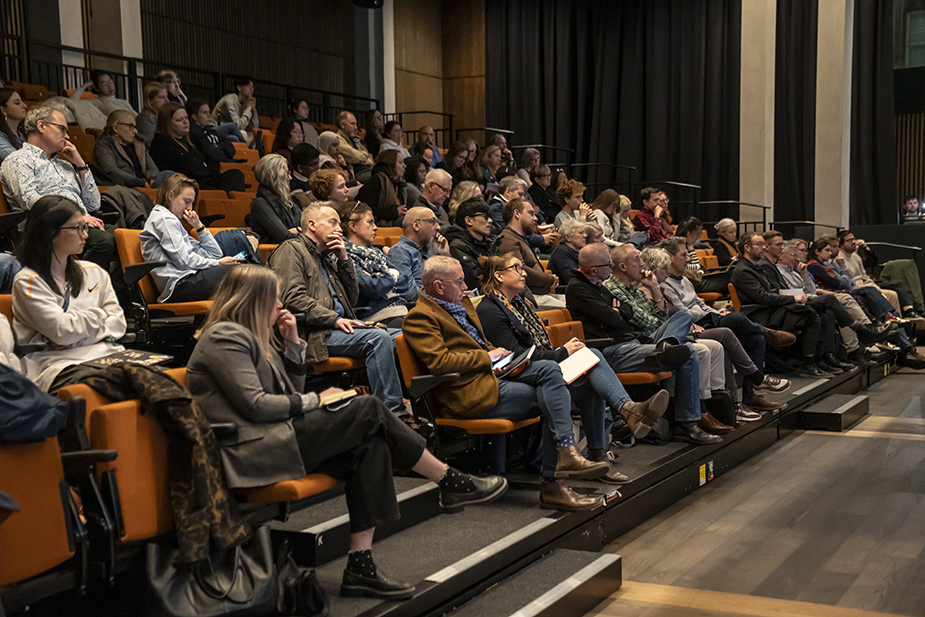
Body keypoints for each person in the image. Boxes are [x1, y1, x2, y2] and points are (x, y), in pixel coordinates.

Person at [187, 264, 507, 601]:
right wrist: (315, 399)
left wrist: (294, 344)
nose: (282, 305)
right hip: (249, 452)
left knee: (369, 445)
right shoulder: (224, 337)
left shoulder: (254, 338)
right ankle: (448, 480)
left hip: (274, 437)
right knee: (366, 410)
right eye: (275, 298)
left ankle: (360, 566)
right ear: (251, 300)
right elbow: (257, 406)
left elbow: (284, 396)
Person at [403, 255, 614, 510]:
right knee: (555, 396)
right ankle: (558, 475)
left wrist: (501, 355)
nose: (465, 287)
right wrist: (487, 356)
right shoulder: (420, 318)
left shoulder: (462, 305)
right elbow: (440, 362)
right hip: (468, 393)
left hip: (493, 377)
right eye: (459, 282)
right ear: (438, 286)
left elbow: (480, 344)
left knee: (550, 371)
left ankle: (561, 468)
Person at [477, 253, 670, 446]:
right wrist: (563, 352)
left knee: (590, 361)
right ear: (499, 276)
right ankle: (622, 418)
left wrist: (562, 350)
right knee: (591, 362)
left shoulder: (519, 304)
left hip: (541, 365)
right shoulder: (490, 309)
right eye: (517, 268)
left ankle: (619, 424)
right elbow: (517, 356)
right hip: (526, 373)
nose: (525, 274)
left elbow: (537, 348)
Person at [565, 244, 720, 444]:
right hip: (613, 351)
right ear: (594, 270)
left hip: (635, 343)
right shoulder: (579, 288)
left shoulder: (598, 285)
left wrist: (629, 306)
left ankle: (667, 346)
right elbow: (616, 319)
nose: (611, 266)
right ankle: (687, 425)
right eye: (607, 263)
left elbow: (639, 315)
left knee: (683, 316)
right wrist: (619, 313)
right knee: (688, 351)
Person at [269, 202, 409, 419]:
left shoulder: (327, 256)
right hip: (314, 332)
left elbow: (351, 299)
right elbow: (292, 299)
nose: (340, 229)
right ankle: (393, 415)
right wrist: (334, 319)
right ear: (312, 225)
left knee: (404, 336)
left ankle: (420, 406)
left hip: (340, 326)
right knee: (377, 338)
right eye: (332, 222)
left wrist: (343, 259)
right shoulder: (291, 250)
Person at [605, 244, 740, 429]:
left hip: (658, 337)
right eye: (637, 259)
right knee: (693, 348)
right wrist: (660, 313)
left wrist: (654, 287)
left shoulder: (635, 289)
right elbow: (648, 324)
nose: (642, 263)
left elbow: (661, 318)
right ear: (623, 266)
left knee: (684, 317)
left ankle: (718, 406)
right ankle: (697, 414)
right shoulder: (613, 289)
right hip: (640, 340)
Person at [653, 240, 794, 415]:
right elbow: (684, 314)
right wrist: (711, 315)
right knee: (736, 319)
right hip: (696, 325)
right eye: (684, 254)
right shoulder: (665, 285)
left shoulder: (685, 281)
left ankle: (750, 394)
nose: (688, 259)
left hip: (707, 318)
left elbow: (700, 304)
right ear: (670, 258)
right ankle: (766, 335)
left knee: (755, 338)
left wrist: (717, 313)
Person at [12, 195, 125, 392]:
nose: (85, 235)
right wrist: (100, 314)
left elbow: (119, 324)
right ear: (51, 233)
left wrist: (78, 340)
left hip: (107, 355)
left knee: (163, 384)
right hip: (56, 366)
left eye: (85, 227)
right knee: (118, 388)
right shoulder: (28, 281)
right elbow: (61, 332)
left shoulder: (94, 272)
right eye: (77, 228)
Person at [0, 102, 114, 269]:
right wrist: (75, 217)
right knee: (103, 242)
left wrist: (81, 164)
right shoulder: (19, 159)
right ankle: (78, 287)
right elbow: (30, 200)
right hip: (48, 229)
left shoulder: (66, 165)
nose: (67, 136)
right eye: (63, 129)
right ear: (41, 126)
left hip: (79, 224)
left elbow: (93, 204)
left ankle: (112, 291)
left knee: (121, 237)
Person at [731, 232, 837, 378]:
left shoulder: (756, 266)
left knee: (824, 313)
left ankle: (820, 359)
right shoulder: (744, 270)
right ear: (747, 247)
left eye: (763, 244)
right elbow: (763, 297)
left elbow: (771, 292)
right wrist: (793, 299)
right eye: (759, 245)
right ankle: (808, 363)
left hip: (770, 308)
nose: (763, 248)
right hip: (760, 313)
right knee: (810, 314)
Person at [140, 174, 240, 303]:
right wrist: (218, 263)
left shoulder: (172, 221)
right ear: (170, 195)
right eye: (187, 201)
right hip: (178, 285)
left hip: (188, 279)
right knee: (242, 272)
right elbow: (184, 262)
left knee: (245, 271)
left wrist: (199, 227)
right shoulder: (164, 219)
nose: (190, 208)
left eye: (192, 203)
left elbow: (215, 254)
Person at [150, 102, 245, 192]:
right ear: (167, 123)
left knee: (235, 174)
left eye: (186, 118)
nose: (185, 122)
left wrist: (204, 167)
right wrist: (203, 165)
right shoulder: (161, 143)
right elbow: (189, 167)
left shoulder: (190, 140)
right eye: (179, 120)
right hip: (186, 185)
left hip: (204, 180)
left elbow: (212, 160)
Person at [343, 202, 411, 326]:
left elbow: (405, 284)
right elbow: (372, 287)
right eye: (370, 222)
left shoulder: (377, 252)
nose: (375, 227)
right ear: (352, 226)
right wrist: (392, 275)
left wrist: (383, 278)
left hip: (400, 311)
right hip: (376, 317)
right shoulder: (345, 256)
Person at [838, 230, 921, 318]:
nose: (854, 242)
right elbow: (849, 282)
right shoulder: (840, 259)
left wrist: (875, 287)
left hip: (868, 285)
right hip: (859, 289)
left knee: (893, 294)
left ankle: (900, 321)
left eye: (854, 239)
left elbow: (865, 276)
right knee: (883, 296)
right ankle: (889, 322)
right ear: (841, 245)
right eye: (849, 240)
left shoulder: (856, 257)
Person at [386, 206, 450, 303]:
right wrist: (445, 295)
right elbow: (410, 295)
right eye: (432, 221)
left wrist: (445, 256)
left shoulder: (433, 250)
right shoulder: (399, 252)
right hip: (422, 310)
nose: (438, 227)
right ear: (416, 225)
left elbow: (453, 281)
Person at [93, 110, 167, 188]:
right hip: (127, 188)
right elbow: (112, 171)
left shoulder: (138, 144)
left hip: (147, 185)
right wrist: (140, 182)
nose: (135, 131)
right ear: (116, 128)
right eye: (131, 126)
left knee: (168, 175)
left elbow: (152, 168)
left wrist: (152, 180)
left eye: (135, 127)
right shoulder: (105, 145)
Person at [498, 199, 558, 297]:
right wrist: (549, 279)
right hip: (528, 298)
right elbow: (520, 271)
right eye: (531, 213)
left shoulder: (518, 238)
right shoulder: (507, 240)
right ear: (517, 213)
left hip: (540, 294)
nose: (535, 218)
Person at [444, 198, 499, 290]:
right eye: (485, 216)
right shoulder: (458, 246)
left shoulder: (490, 242)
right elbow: (475, 282)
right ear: (468, 220)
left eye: (490, 217)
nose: (490, 220)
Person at [248, 154, 302, 244]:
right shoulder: (260, 204)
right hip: (276, 253)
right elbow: (284, 236)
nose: (290, 178)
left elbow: (305, 226)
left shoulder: (288, 201)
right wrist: (301, 230)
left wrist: (298, 230)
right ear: (274, 177)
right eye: (286, 173)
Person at [356, 150, 408, 227]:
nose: (405, 166)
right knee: (412, 222)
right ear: (390, 165)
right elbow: (367, 209)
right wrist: (394, 212)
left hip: (394, 218)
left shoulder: (399, 183)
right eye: (400, 163)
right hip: (378, 222)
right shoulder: (375, 181)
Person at [185, 98, 238, 164]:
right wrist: (220, 147)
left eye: (209, 112)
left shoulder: (212, 131)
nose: (209, 116)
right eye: (205, 113)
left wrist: (216, 146)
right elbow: (211, 154)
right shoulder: (195, 133)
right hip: (218, 166)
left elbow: (231, 151)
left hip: (228, 162)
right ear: (195, 116)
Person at [212, 76, 260, 148]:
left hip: (233, 132)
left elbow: (254, 127)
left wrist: (253, 110)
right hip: (218, 129)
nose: (251, 89)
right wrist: (248, 109)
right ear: (239, 88)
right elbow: (238, 126)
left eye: (253, 87)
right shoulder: (229, 100)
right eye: (248, 86)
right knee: (242, 133)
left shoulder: (245, 102)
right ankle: (246, 153)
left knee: (253, 135)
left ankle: (250, 156)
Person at [69, 70, 137, 118]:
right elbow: (72, 103)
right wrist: (84, 86)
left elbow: (137, 117)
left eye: (110, 82)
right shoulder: (96, 102)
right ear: (96, 88)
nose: (109, 86)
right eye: (104, 84)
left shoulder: (123, 102)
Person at [335, 111, 374, 182]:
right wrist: (365, 157)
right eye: (352, 124)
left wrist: (364, 157)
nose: (356, 127)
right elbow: (355, 157)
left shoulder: (355, 139)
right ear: (342, 125)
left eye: (356, 124)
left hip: (368, 169)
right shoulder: (337, 140)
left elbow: (369, 157)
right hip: (357, 174)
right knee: (382, 176)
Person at [548, 218, 586, 285]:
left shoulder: (577, 251)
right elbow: (570, 278)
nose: (585, 235)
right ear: (568, 237)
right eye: (581, 233)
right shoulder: (562, 252)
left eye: (584, 232)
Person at [136, 81, 169, 147]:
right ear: (150, 101)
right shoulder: (145, 117)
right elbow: (151, 142)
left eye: (166, 97)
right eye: (161, 97)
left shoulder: (163, 116)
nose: (167, 101)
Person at [0, 88, 27, 161]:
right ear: (3, 109)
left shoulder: (22, 133)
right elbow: (20, 161)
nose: (25, 105)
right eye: (17, 103)